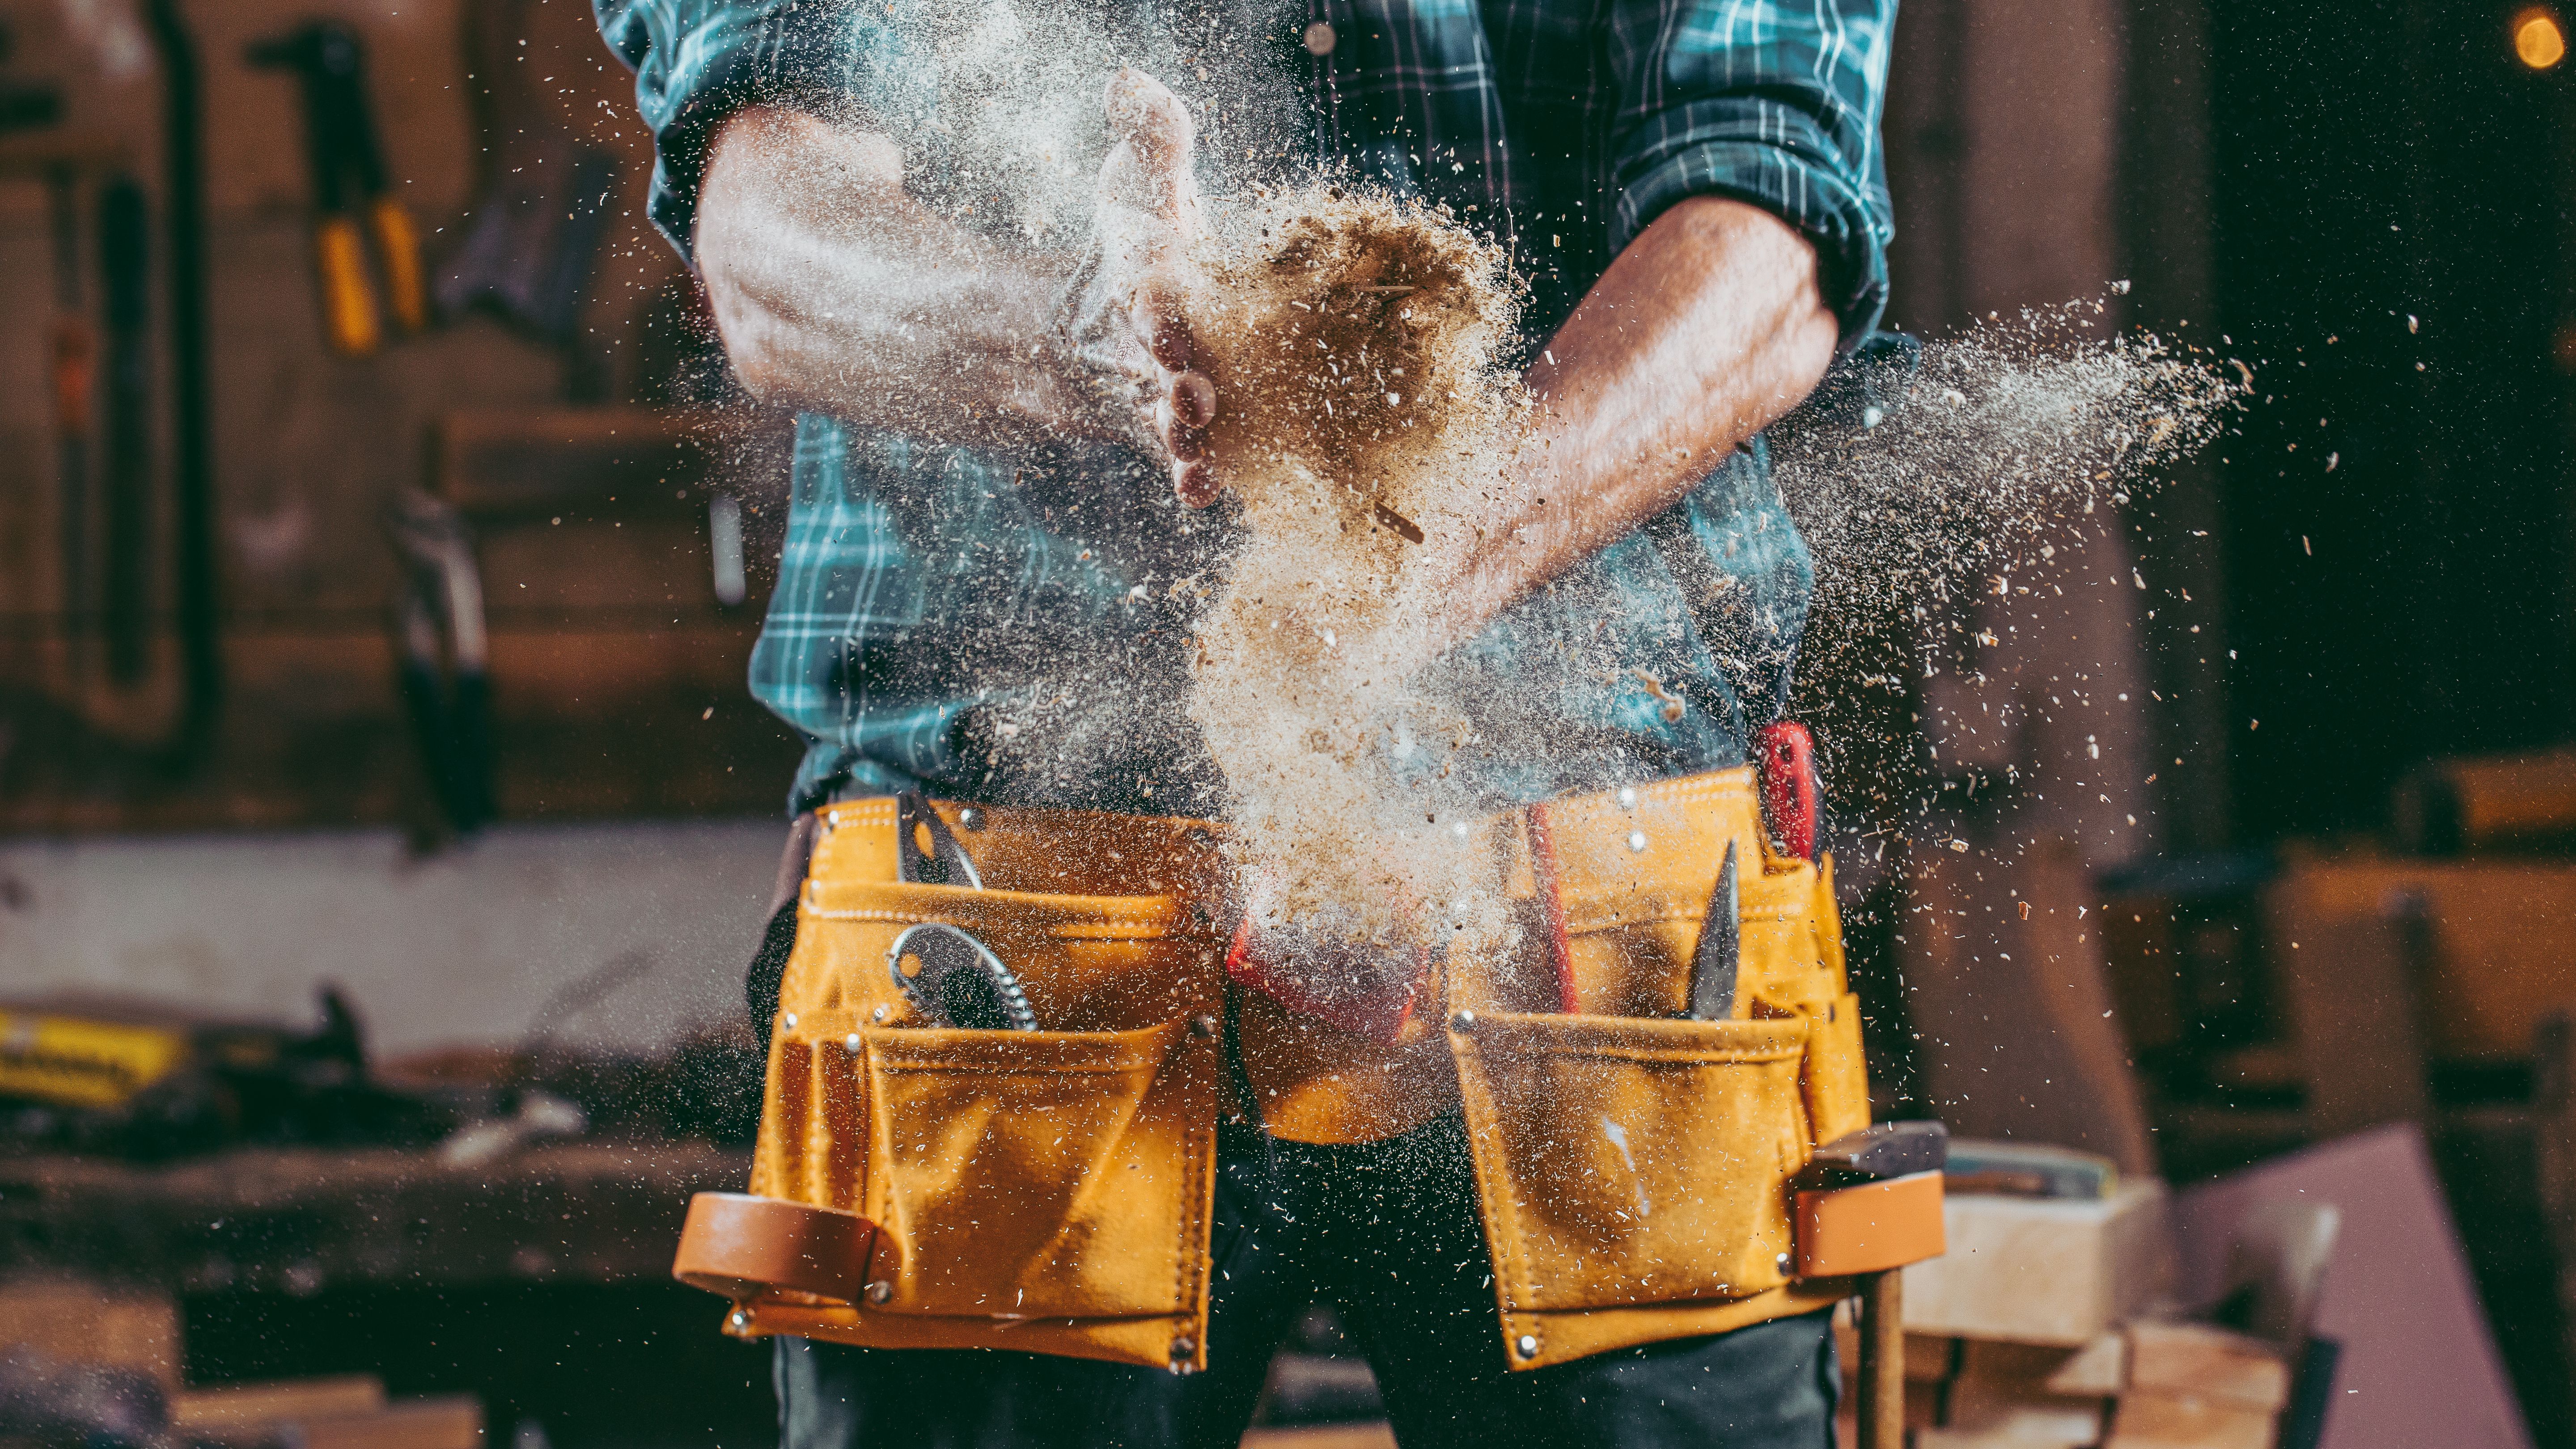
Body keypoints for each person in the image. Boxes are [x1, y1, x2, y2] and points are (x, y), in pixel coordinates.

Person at [596, 0, 1897, 1443]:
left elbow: (1773, 212)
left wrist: (1438, 537)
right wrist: (1068, 339)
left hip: (1606, 922)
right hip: (1006, 924)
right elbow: (771, 229)